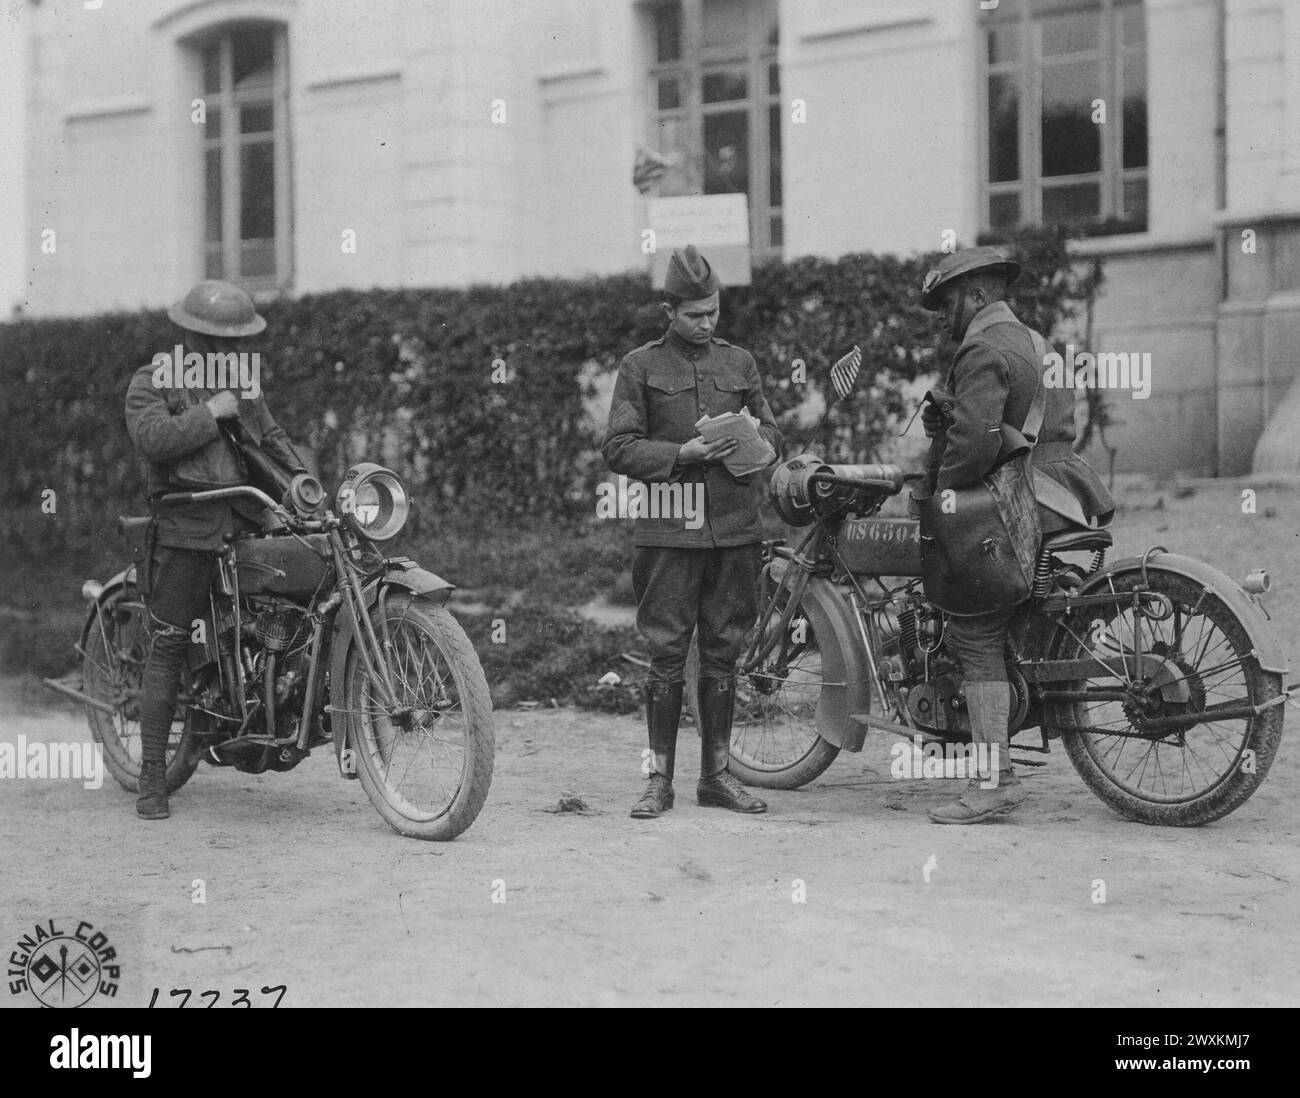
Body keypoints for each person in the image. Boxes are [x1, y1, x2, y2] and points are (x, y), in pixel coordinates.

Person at [918, 246, 1114, 825]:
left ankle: (991, 782)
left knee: (973, 636)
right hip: (1059, 491)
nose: (944, 315)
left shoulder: (980, 347)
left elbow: (976, 448)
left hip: (1014, 500)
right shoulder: (1038, 343)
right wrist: (952, 417)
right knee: (1008, 620)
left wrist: (934, 488)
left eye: (949, 302)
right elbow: (1045, 424)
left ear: (977, 293)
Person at [603, 245, 783, 819]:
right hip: (668, 531)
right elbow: (618, 447)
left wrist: (760, 446)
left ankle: (718, 777)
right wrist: (683, 451)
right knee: (666, 654)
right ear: (668, 310)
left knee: (725, 652)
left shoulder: (741, 363)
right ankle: (659, 781)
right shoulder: (641, 366)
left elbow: (773, 432)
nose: (706, 324)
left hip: (734, 529)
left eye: (713, 312)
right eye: (694, 315)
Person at [124, 280, 307, 820]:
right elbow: (152, 438)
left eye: (234, 342)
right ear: (188, 335)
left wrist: (301, 483)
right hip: (187, 526)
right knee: (171, 639)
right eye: (214, 340)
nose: (225, 351)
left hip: (245, 519)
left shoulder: (243, 384)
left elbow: (270, 439)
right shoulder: (152, 379)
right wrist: (211, 412)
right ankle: (153, 777)